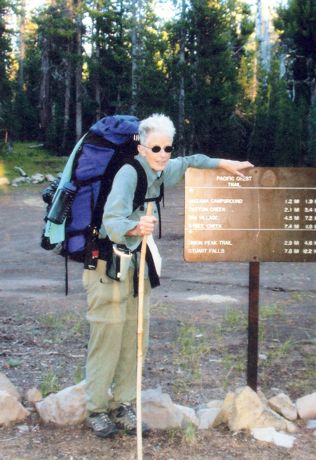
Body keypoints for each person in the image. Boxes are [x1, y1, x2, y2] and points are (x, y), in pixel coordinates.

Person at [84, 113, 253, 438]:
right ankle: (96, 409)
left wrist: (223, 163)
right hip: (108, 266)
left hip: (137, 265)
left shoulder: (163, 168)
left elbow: (192, 161)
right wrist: (135, 226)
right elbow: (110, 221)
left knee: (136, 335)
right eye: (156, 147)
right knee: (109, 336)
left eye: (167, 148)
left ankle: (122, 404)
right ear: (142, 147)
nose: (163, 153)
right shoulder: (127, 173)